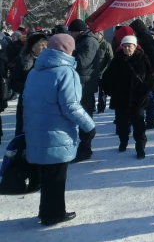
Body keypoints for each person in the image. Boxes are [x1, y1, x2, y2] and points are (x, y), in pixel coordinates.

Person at [22, 34, 96, 225]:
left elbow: (26, 101)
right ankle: (54, 214)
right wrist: (88, 126)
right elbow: (71, 105)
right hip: (57, 132)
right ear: (68, 49)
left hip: (36, 130)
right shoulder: (66, 72)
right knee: (56, 176)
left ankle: (46, 210)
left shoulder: (35, 70)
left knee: (47, 175)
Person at [103, 35, 154, 158]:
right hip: (121, 99)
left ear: (135, 46)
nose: (127, 49)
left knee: (139, 124)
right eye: (124, 46)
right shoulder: (117, 59)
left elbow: (151, 76)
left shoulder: (143, 58)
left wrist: (144, 90)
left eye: (129, 46)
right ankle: (123, 141)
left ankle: (140, 146)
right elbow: (107, 78)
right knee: (122, 124)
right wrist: (111, 91)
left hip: (138, 99)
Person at [68, 19, 100, 162]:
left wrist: (66, 57)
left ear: (79, 31)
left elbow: (82, 62)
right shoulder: (83, 40)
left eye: (71, 32)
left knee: (85, 116)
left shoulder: (89, 42)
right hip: (79, 84)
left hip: (85, 85)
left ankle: (86, 148)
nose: (70, 34)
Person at [9, 32, 48, 136]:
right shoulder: (23, 61)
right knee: (24, 132)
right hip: (27, 102)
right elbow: (13, 82)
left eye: (46, 44)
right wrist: (28, 88)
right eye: (41, 45)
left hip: (46, 102)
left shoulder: (50, 61)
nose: (45, 47)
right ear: (32, 47)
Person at [130, 19, 154, 129]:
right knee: (149, 96)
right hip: (148, 70)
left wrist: (151, 71)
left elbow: (151, 56)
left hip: (148, 71)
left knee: (150, 96)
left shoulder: (144, 38)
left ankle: (151, 120)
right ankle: (150, 119)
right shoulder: (146, 36)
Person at [95, 31, 114, 114]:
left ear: (101, 35)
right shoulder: (92, 44)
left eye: (97, 34)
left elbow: (110, 59)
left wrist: (107, 71)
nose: (96, 35)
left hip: (103, 71)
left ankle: (101, 107)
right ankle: (91, 106)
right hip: (92, 71)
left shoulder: (106, 45)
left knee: (102, 91)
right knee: (91, 90)